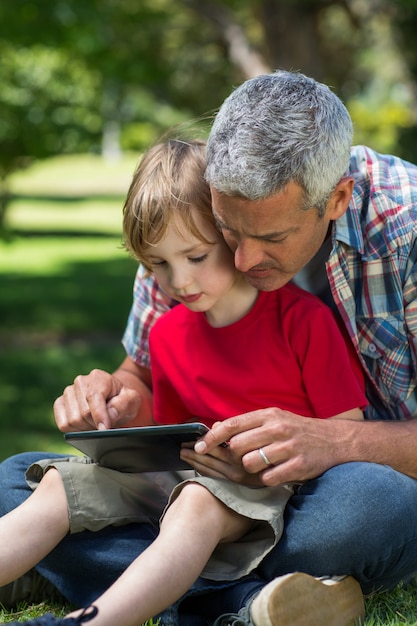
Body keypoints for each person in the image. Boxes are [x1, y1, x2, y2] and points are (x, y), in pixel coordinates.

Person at [2, 69, 417, 625]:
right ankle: (254, 603)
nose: (242, 261)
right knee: (17, 482)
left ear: (337, 198)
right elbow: (143, 380)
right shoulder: (192, 219)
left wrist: (331, 439)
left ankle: (99, 575)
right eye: (227, 232)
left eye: (270, 237)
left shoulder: (405, 230)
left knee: (368, 510)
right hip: (185, 485)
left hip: (332, 485)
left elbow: (343, 445)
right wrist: (111, 396)